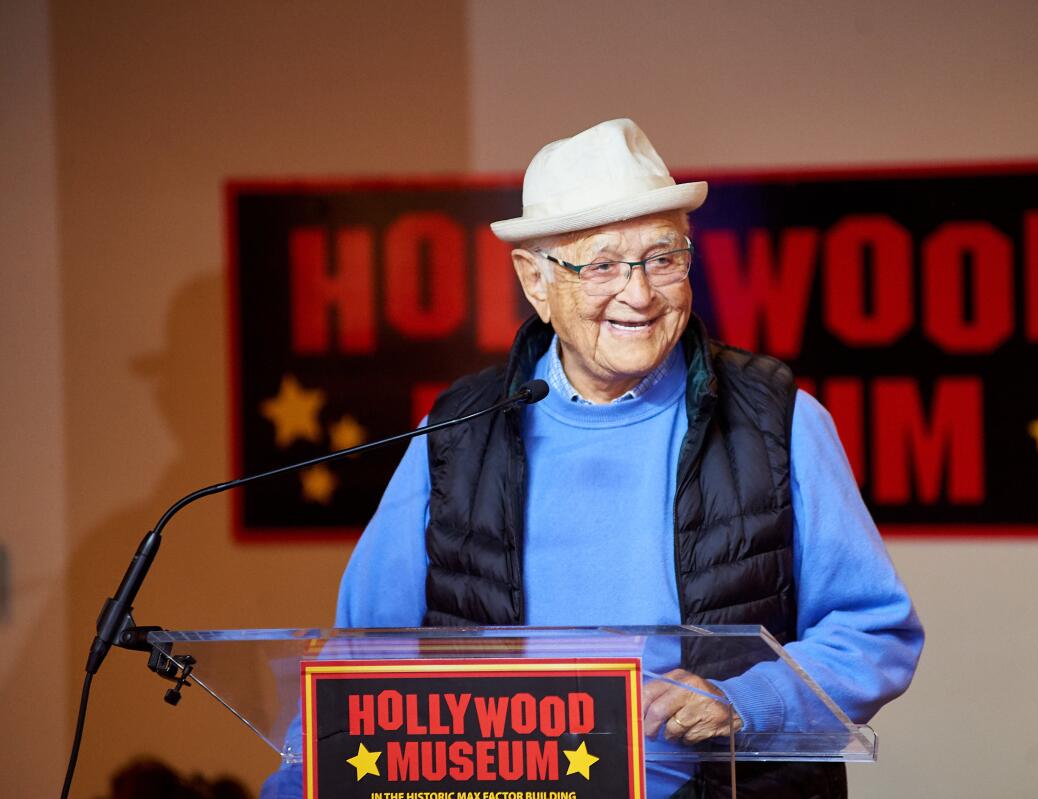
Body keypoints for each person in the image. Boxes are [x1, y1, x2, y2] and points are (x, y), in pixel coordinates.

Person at [262, 118, 922, 799]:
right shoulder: (458, 433)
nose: (639, 294)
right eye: (603, 265)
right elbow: (361, 657)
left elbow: (874, 630)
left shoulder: (777, 420)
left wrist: (747, 701)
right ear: (537, 280)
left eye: (663, 259)